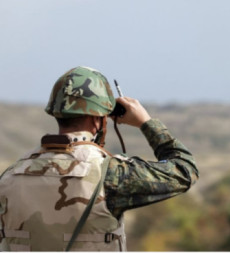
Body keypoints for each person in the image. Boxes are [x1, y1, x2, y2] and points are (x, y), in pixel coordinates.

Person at [0, 66, 198, 251]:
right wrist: (146, 123)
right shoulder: (110, 174)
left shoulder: (10, 176)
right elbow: (184, 171)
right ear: (98, 120)